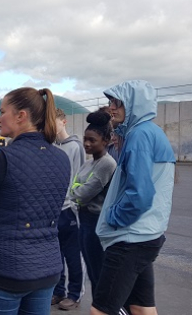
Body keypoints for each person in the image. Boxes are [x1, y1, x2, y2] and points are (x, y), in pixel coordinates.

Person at [0, 87, 71, 315]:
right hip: (47, 268)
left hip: (6, 269)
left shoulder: (2, 158)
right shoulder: (62, 158)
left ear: (21, 115)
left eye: (3, 112)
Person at [92, 80, 176, 315]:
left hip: (130, 237)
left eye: (118, 102)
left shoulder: (139, 135)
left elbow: (140, 193)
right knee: (142, 308)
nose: (111, 107)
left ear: (134, 104)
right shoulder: (150, 132)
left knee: (101, 310)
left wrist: (113, 217)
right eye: (110, 102)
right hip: (147, 234)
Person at [67, 110, 117, 296]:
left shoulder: (107, 164)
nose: (87, 144)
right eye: (85, 139)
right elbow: (75, 190)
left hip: (97, 224)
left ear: (106, 141)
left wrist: (75, 193)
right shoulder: (88, 164)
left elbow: (81, 194)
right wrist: (76, 192)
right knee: (92, 270)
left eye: (92, 140)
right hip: (84, 221)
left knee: (99, 274)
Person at [52, 108, 87, 311]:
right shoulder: (52, 147)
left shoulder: (75, 147)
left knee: (73, 256)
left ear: (63, 122)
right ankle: (58, 291)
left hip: (69, 210)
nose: (52, 126)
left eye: (54, 122)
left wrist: (74, 204)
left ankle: (75, 294)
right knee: (56, 256)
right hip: (54, 210)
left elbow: (80, 177)